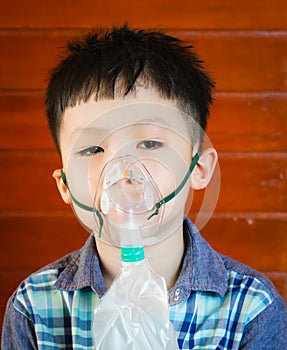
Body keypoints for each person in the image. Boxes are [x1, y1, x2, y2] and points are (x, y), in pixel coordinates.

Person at [2, 25, 287, 349]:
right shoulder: (34, 308)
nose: (123, 172)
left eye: (150, 143)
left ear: (200, 169)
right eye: (93, 149)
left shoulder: (251, 309)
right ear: (65, 185)